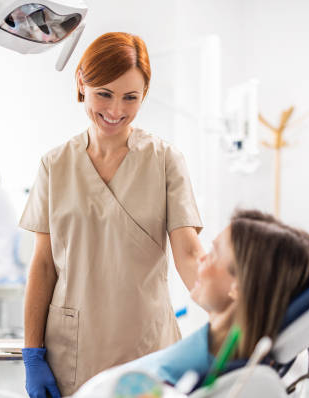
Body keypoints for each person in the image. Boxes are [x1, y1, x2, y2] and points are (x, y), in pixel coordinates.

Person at [18, 32, 205, 398]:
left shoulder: (166, 161)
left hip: (146, 343)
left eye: (130, 97)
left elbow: (189, 253)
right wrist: (32, 353)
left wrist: (234, 313)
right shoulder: (54, 165)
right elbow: (43, 265)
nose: (115, 110)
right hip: (74, 349)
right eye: (104, 93)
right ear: (81, 84)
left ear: (144, 95)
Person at [110, 209, 309, 386]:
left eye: (213, 253)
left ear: (240, 286)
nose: (201, 258)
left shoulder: (168, 379)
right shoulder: (236, 362)